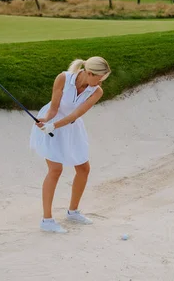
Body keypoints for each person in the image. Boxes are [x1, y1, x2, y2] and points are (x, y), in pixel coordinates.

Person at [29, 56, 111, 233]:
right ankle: (47, 220)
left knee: (84, 169)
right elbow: (54, 109)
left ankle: (73, 212)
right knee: (55, 170)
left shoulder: (96, 91)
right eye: (100, 78)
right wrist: (46, 121)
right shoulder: (63, 78)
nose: (101, 82)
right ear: (89, 73)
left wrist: (54, 125)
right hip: (52, 123)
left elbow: (75, 115)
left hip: (70, 127)